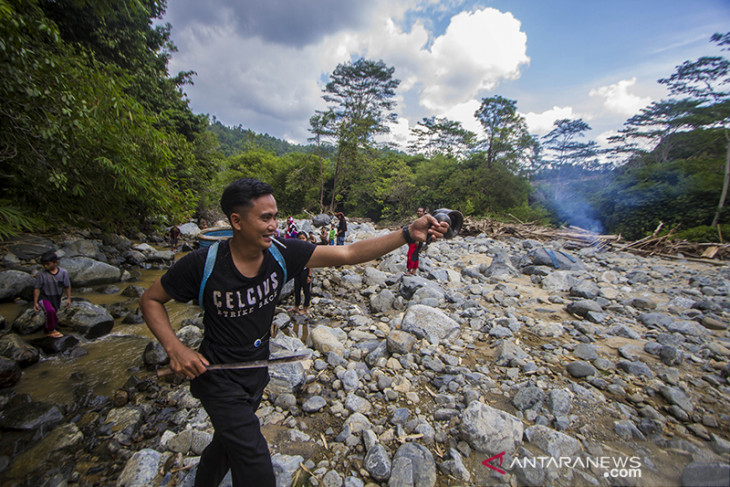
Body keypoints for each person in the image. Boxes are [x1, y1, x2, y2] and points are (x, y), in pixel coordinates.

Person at [139, 177, 448, 487]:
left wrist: (408, 233)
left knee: (226, 445)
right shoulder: (202, 265)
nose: (274, 225)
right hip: (217, 376)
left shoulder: (281, 253)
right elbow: (150, 300)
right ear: (236, 221)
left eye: (275, 216)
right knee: (254, 459)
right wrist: (176, 349)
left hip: (256, 369)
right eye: (265, 217)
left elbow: (349, 254)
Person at [33, 252, 71, 338]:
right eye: (44, 264)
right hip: (44, 296)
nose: (45, 266)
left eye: (47, 264)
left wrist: (68, 299)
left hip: (56, 296)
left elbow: (67, 286)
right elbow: (37, 288)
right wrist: (35, 302)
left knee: (54, 314)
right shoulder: (41, 274)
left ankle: (47, 330)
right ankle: (52, 330)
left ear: (55, 262)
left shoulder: (63, 273)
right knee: (50, 311)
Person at [292, 233, 312, 314]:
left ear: (306, 239)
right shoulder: (296, 250)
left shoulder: (308, 250)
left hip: (305, 272)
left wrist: (309, 275)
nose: (301, 240)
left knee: (306, 291)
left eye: (303, 238)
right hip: (297, 272)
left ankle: (305, 308)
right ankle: (296, 306)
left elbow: (311, 264)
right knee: (297, 290)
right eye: (300, 238)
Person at [406, 207, 426, 275]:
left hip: (416, 240)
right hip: (416, 239)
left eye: (420, 211)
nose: (419, 212)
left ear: (423, 213)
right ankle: (414, 270)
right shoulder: (419, 220)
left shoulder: (422, 221)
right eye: (418, 211)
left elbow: (420, 231)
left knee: (410, 255)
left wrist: (417, 240)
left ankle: (409, 270)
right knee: (415, 255)